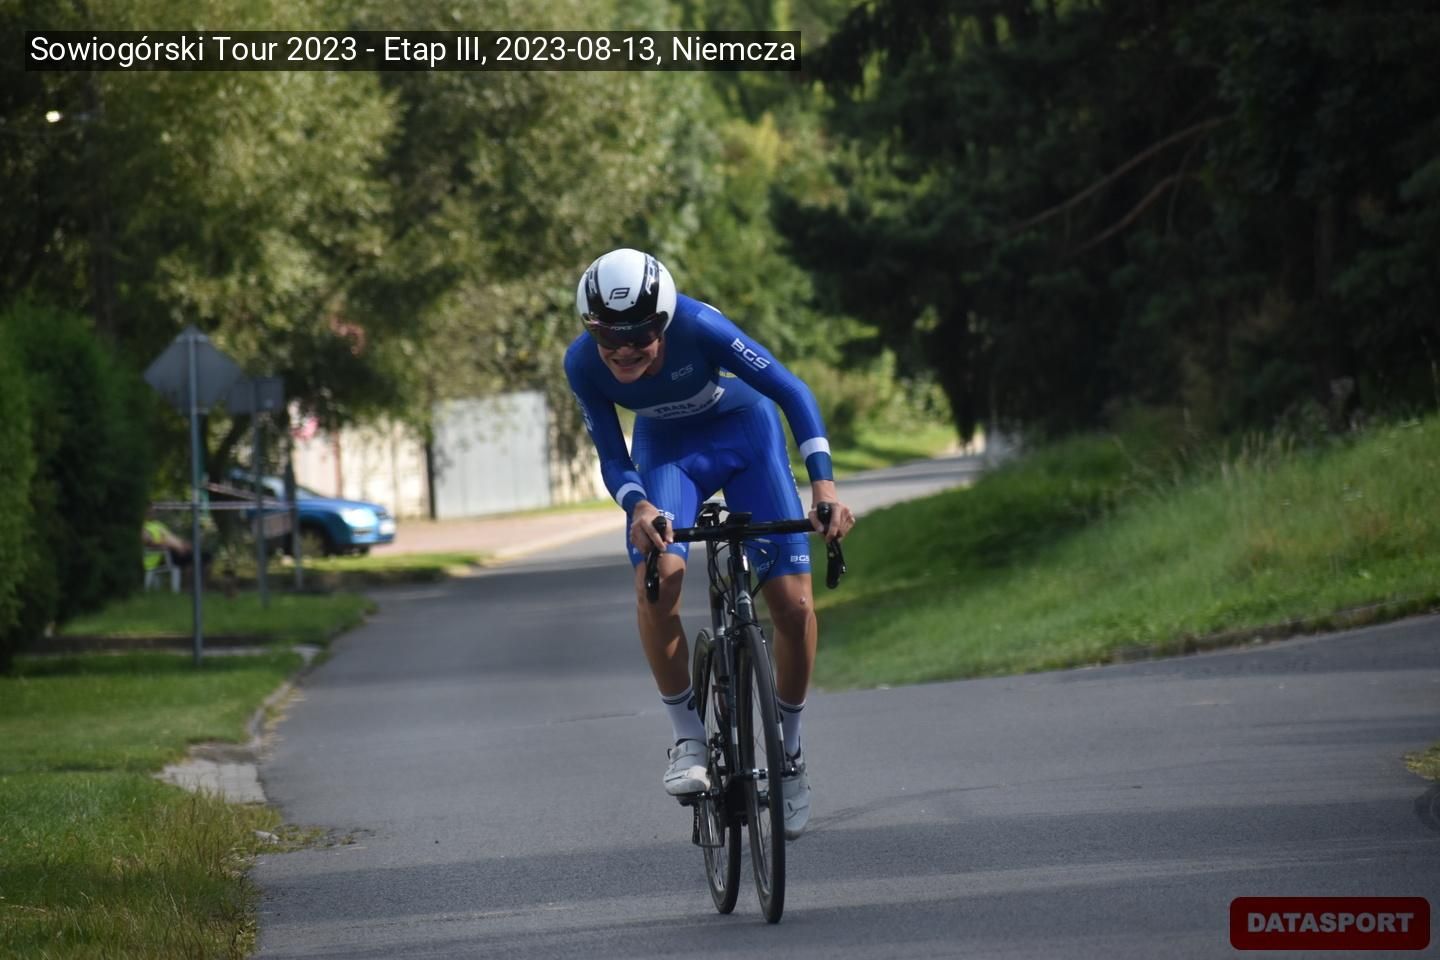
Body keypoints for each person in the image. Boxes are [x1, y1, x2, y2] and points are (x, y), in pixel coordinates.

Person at [565, 248, 855, 841]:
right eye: (608, 336)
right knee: (659, 580)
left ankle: (789, 754)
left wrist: (823, 485)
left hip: (746, 438)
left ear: (665, 319)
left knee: (794, 606)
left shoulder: (700, 326)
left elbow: (791, 391)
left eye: (640, 335)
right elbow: (612, 454)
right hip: (668, 454)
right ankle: (688, 740)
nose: (624, 350)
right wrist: (638, 505)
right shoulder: (582, 364)